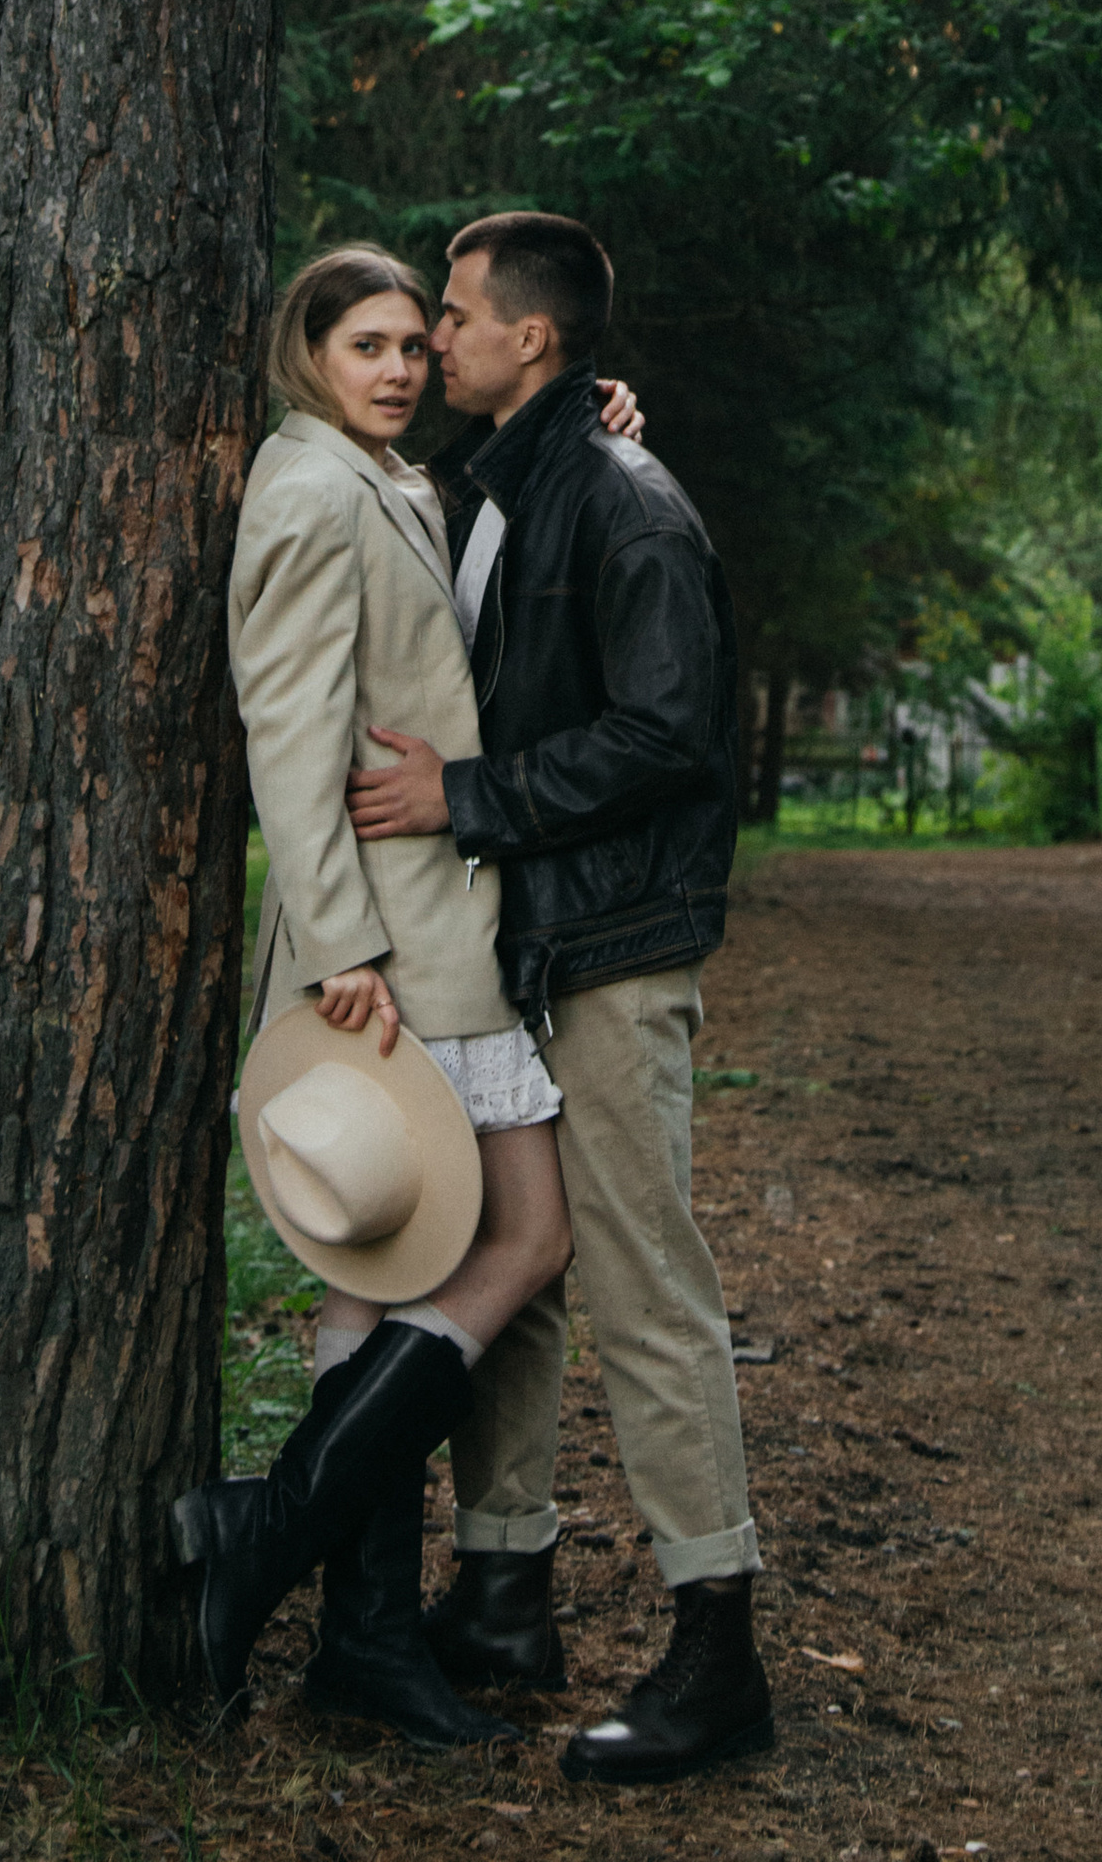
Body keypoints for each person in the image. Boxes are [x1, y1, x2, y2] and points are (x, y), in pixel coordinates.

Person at [346, 209, 772, 1788]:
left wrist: (472, 798)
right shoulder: (516, 477)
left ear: (532, 337)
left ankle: (717, 1649)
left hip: (615, 950)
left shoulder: (624, 502)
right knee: (496, 1265)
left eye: (454, 316)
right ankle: (503, 1592)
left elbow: (669, 735)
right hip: (528, 946)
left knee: (646, 1284)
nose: (433, 337)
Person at [179, 244, 625, 1744]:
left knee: (382, 1278)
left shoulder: (385, 478)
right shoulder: (308, 492)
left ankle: (344, 1615)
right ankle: (292, 1554)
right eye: (364, 344)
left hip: (434, 931)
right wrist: (338, 949)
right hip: (390, 952)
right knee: (515, 1236)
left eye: (411, 347)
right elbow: (285, 737)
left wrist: (598, 409)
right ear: (307, 355)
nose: (396, 367)